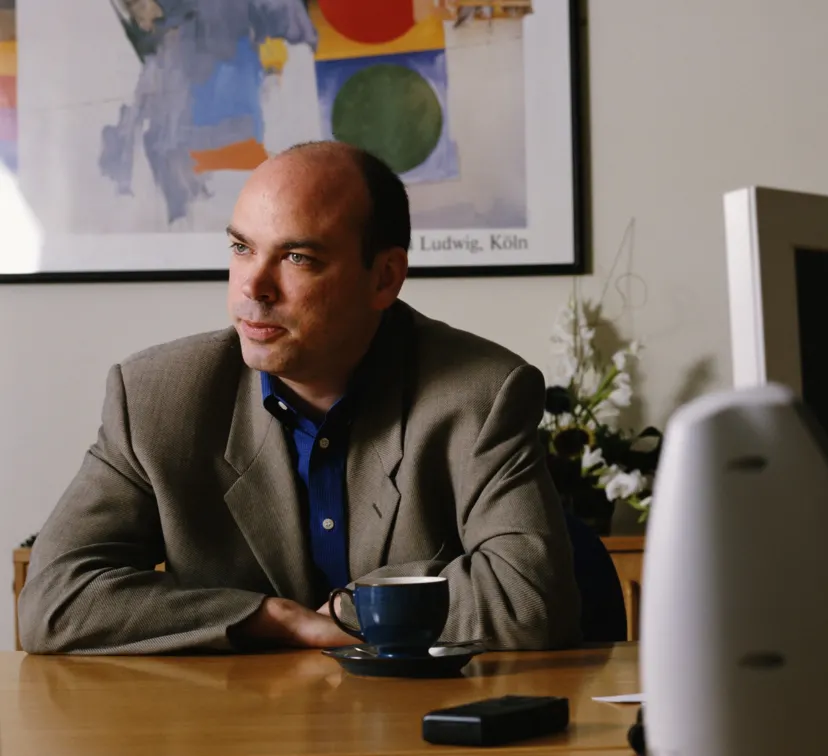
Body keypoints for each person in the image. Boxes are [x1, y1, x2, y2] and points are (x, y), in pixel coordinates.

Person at [18, 141, 582, 654]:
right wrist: (272, 618)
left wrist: (347, 613)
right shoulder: (154, 397)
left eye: (297, 259)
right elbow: (55, 601)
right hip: (231, 739)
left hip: (416, 735)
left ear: (385, 278)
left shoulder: (480, 395)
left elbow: (528, 596)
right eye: (242, 247)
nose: (252, 287)